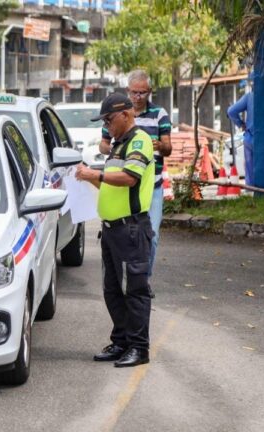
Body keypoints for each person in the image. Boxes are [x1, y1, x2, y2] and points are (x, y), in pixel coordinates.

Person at [76, 93, 155, 368]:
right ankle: (122, 341)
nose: (107, 126)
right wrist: (87, 179)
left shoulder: (139, 140)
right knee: (112, 290)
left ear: (125, 114)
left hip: (130, 229)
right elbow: (111, 184)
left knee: (134, 290)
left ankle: (138, 347)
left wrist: (95, 175)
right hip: (111, 231)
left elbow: (129, 178)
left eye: (109, 119)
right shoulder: (118, 144)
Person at [100, 70, 171, 297]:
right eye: (134, 92)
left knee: (152, 234)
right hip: (125, 184)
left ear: (149, 92)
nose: (138, 96)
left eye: (143, 92)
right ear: (128, 91)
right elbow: (103, 144)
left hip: (153, 184)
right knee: (124, 233)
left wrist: (155, 145)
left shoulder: (159, 114)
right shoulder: (116, 115)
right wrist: (109, 148)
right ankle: (127, 280)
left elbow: (169, 148)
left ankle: (143, 281)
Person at [227, 70, 254, 187]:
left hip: (250, 138)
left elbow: (231, 111)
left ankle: (251, 190)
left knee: (250, 167)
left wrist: (241, 124)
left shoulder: (249, 97)